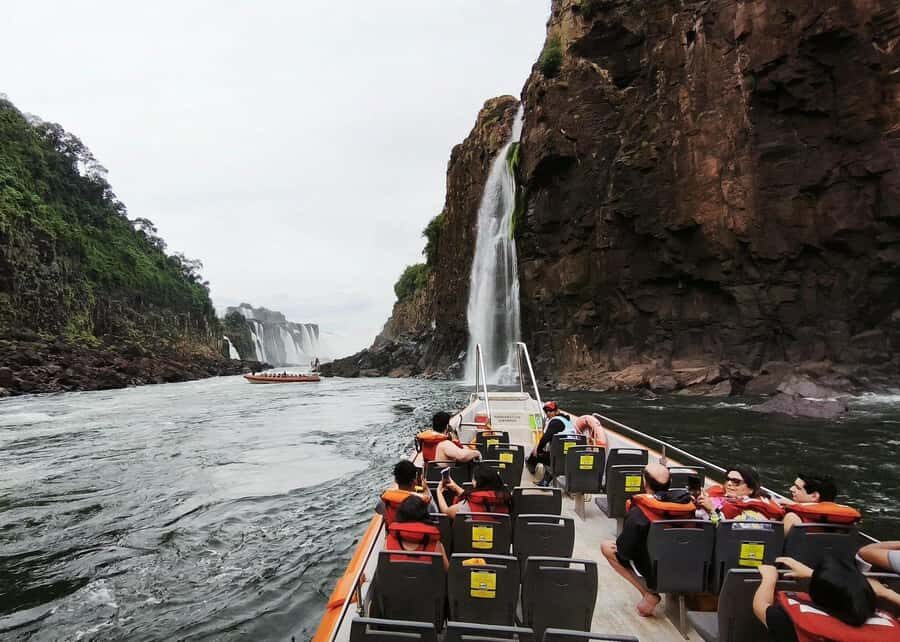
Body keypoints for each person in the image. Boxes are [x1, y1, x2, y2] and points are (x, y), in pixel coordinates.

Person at [600, 463, 694, 617]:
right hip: (686, 566)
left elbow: (624, 552)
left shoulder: (639, 512)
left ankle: (648, 594)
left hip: (653, 569)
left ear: (645, 483)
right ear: (670, 483)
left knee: (607, 547)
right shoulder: (688, 506)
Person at [753, 555, 900, 641]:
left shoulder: (787, 621)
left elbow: (760, 605)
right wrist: (887, 593)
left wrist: (769, 578)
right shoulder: (893, 628)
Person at [697, 466, 784, 522]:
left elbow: (727, 532)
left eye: (736, 482)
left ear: (751, 488)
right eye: (728, 479)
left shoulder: (753, 511)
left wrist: (712, 509)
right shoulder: (720, 495)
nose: (729, 483)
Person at [384, 495, 449, 571]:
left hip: (397, 582)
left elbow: (384, 569)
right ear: (424, 515)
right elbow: (447, 571)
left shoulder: (388, 541)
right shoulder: (436, 545)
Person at [780, 473, 860, 534]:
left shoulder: (792, 519)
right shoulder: (847, 524)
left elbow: (775, 547)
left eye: (797, 488)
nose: (791, 489)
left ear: (814, 496)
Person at [526, 401, 576, 486]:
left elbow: (545, 438)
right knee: (552, 454)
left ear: (557, 411)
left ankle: (531, 467)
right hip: (571, 459)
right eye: (546, 411)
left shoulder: (555, 422)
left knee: (535, 455)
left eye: (551, 410)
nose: (548, 413)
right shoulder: (567, 421)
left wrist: (537, 450)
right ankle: (545, 481)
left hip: (558, 460)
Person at [436, 463, 510, 519]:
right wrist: (456, 487)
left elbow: (446, 512)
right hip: (498, 538)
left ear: (477, 483)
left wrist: (439, 491)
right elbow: (481, 497)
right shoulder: (505, 501)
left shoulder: (466, 507)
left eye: (473, 479)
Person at [376, 460, 437, 525]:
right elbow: (436, 516)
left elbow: (379, 510)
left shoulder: (385, 501)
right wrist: (426, 490)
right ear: (414, 481)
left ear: (395, 480)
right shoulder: (425, 502)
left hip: (396, 534)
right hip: (419, 535)